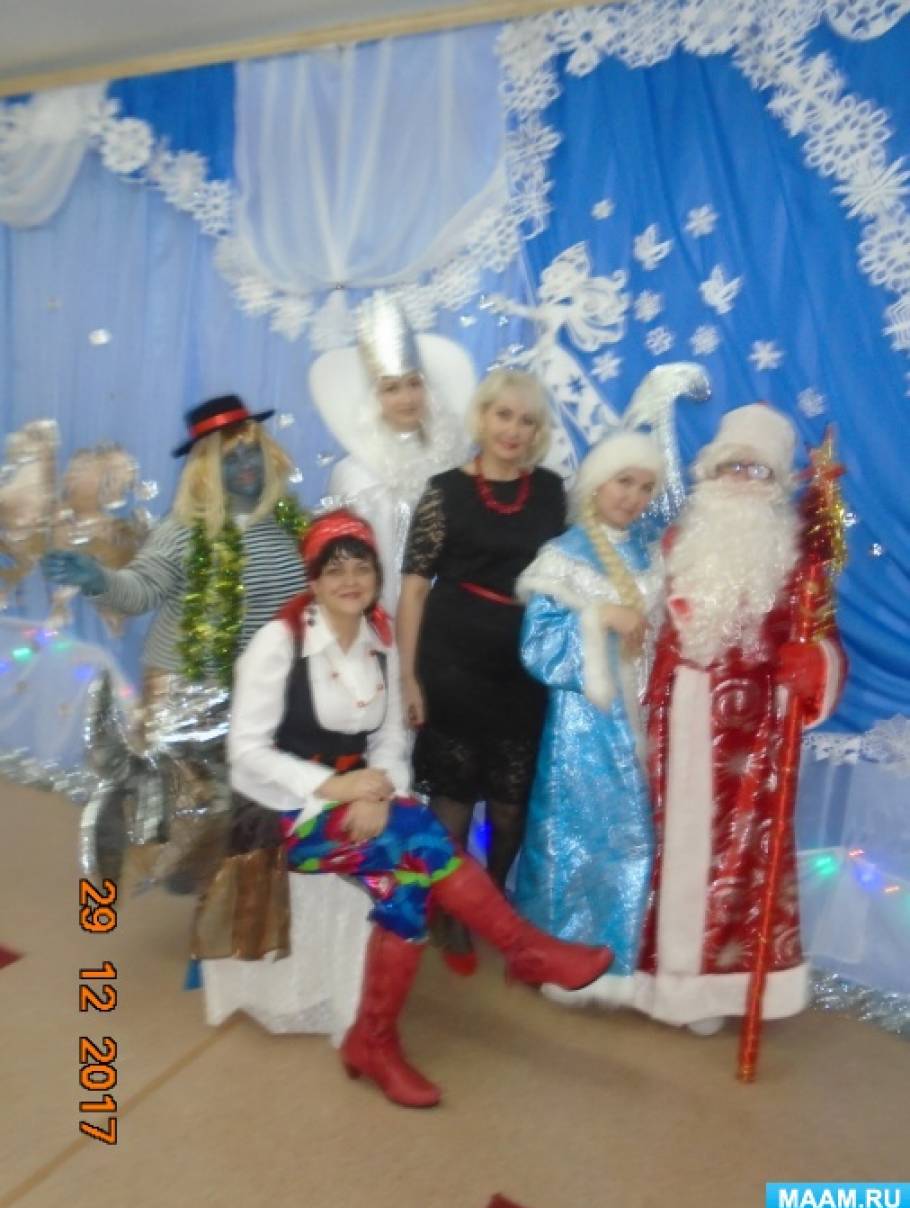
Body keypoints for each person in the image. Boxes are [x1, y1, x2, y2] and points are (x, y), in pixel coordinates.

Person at [226, 508, 615, 1108]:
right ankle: (520, 950)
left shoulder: (380, 638)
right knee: (419, 846)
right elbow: (246, 753)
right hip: (279, 811)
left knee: (407, 882)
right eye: (335, 569)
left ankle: (373, 1041)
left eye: (362, 568)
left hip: (363, 799)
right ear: (313, 579)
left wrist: (383, 792)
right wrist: (336, 789)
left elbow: (389, 740)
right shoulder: (280, 642)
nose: (350, 580)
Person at [634, 404, 845, 1035]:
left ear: (777, 482)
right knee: (672, 845)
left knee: (741, 859)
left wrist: (813, 662)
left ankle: (722, 984)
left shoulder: (798, 561)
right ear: (710, 472)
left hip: (755, 735)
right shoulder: (676, 543)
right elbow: (648, 632)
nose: (742, 480)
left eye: (757, 470)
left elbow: (826, 643)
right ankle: (668, 980)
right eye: (732, 466)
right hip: (679, 717)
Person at [397, 368, 567, 973]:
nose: (513, 430)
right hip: (452, 663)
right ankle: (451, 909)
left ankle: (491, 898)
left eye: (526, 420)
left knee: (510, 805)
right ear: (483, 417)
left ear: (538, 431)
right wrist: (409, 677)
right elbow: (413, 589)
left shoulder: (551, 492)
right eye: (503, 415)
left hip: (523, 668)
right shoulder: (444, 491)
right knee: (453, 798)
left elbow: (571, 574)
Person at [515, 430, 665, 1007]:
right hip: (584, 725)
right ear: (598, 484)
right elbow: (538, 646)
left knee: (634, 841)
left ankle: (622, 961)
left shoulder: (653, 556)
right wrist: (599, 618)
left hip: (642, 722)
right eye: (624, 482)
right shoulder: (564, 557)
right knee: (572, 839)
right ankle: (561, 957)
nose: (633, 497)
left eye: (645, 487)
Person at [41, 395, 308, 688]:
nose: (246, 465)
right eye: (231, 458)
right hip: (190, 688)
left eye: (252, 452)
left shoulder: (290, 521)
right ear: (206, 469)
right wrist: (97, 579)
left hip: (273, 682)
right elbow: (143, 590)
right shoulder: (184, 527)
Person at [310, 292, 475, 612]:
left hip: (446, 618)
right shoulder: (353, 475)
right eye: (391, 388)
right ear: (374, 398)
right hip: (375, 617)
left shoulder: (454, 461)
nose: (407, 399)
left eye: (414, 384)